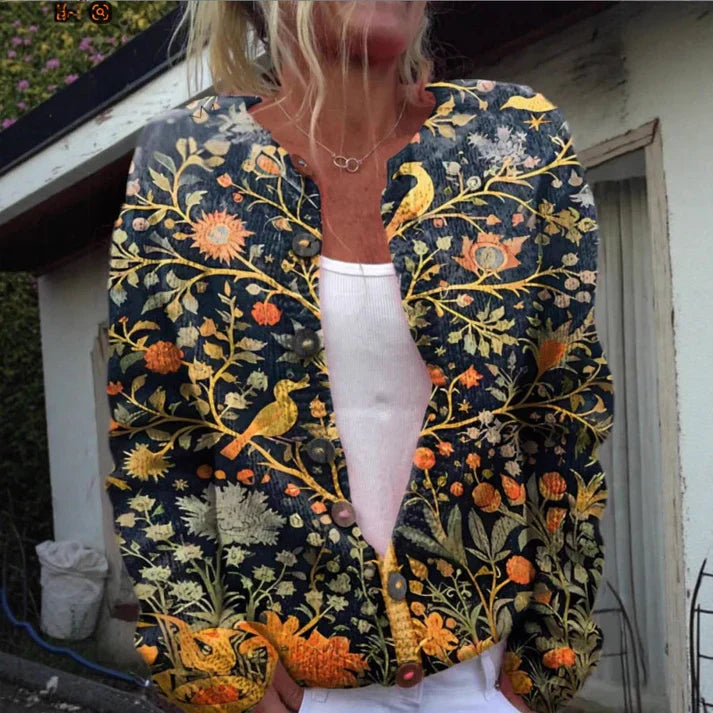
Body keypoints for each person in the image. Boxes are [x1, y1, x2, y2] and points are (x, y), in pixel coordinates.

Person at [105, 2, 614, 713]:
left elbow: (562, 411)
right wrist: (211, 660)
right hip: (290, 686)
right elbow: (157, 433)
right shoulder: (187, 161)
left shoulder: (515, 140)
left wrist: (549, 657)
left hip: (483, 679)